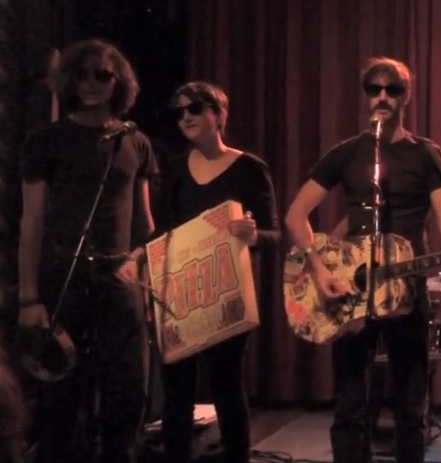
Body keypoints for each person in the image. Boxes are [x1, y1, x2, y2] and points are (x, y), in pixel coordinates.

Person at [284, 56, 441, 463]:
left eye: (392, 89)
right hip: (352, 287)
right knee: (349, 404)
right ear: (365, 96)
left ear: (406, 96)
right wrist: (319, 270)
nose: (382, 96)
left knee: (410, 403)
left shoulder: (426, 155)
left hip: (407, 285)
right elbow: (295, 215)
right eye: (373, 89)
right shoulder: (347, 153)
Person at [17, 38, 157, 463]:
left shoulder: (136, 142)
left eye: (102, 74)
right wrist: (29, 298)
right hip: (64, 276)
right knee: (61, 401)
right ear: (69, 80)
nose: (91, 83)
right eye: (81, 74)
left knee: (128, 395)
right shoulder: (46, 140)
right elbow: (32, 221)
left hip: (119, 279)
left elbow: (144, 224)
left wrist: (142, 271)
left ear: (119, 82)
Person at [145, 81, 281, 463]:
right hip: (180, 292)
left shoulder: (249, 168)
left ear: (219, 115)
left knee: (226, 384)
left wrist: (253, 235)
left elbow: (273, 234)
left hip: (227, 292)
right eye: (180, 113)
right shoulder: (175, 168)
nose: (185, 118)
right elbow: (162, 230)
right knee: (177, 391)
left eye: (195, 109)